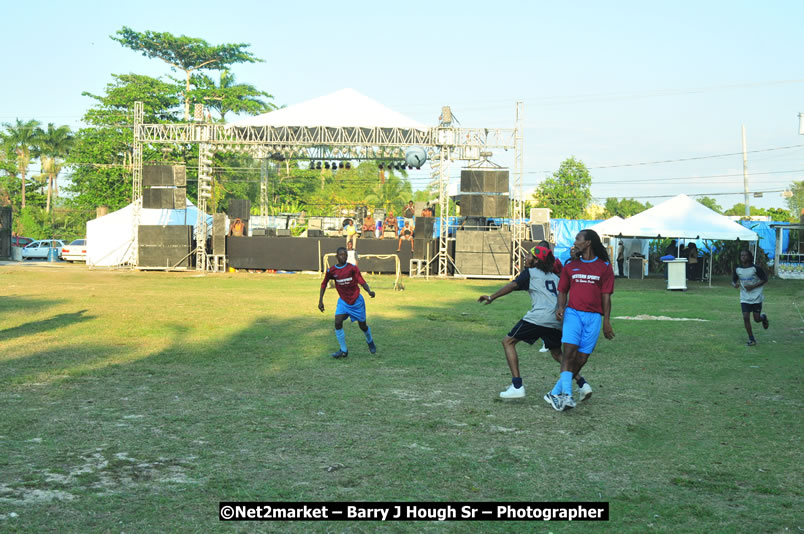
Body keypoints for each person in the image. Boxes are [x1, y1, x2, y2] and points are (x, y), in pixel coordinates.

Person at [478, 246, 591, 400]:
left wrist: (492, 297)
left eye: (529, 256)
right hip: (556, 321)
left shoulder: (530, 273)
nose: (526, 257)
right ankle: (582, 384)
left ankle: (517, 386)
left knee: (508, 342)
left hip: (539, 318)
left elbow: (512, 286)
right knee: (558, 354)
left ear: (537, 260)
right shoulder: (555, 277)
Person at [547, 229, 615, 412]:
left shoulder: (604, 267)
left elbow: (606, 296)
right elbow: (562, 290)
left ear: (588, 243)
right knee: (568, 353)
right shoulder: (570, 266)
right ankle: (567, 396)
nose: (575, 242)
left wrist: (606, 321)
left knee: (582, 358)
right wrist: (561, 307)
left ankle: (554, 392)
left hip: (593, 317)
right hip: (573, 314)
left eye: (578, 239)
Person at [319, 247, 376, 358]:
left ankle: (370, 341)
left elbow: (361, 280)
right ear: (336, 256)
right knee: (337, 321)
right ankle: (343, 350)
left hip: (356, 302)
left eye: (345, 255)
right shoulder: (332, 271)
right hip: (344, 302)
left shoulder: (352, 268)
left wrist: (369, 291)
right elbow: (324, 284)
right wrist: (320, 300)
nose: (343, 256)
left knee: (363, 326)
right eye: (341, 255)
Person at [732, 249, 769, 346]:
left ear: (749, 257)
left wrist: (753, 286)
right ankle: (751, 339)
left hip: (756, 296)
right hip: (744, 297)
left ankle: (763, 318)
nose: (743, 257)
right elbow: (733, 280)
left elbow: (765, 279)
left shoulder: (755, 268)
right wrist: (734, 284)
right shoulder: (738, 269)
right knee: (745, 317)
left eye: (745, 255)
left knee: (756, 319)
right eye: (741, 255)